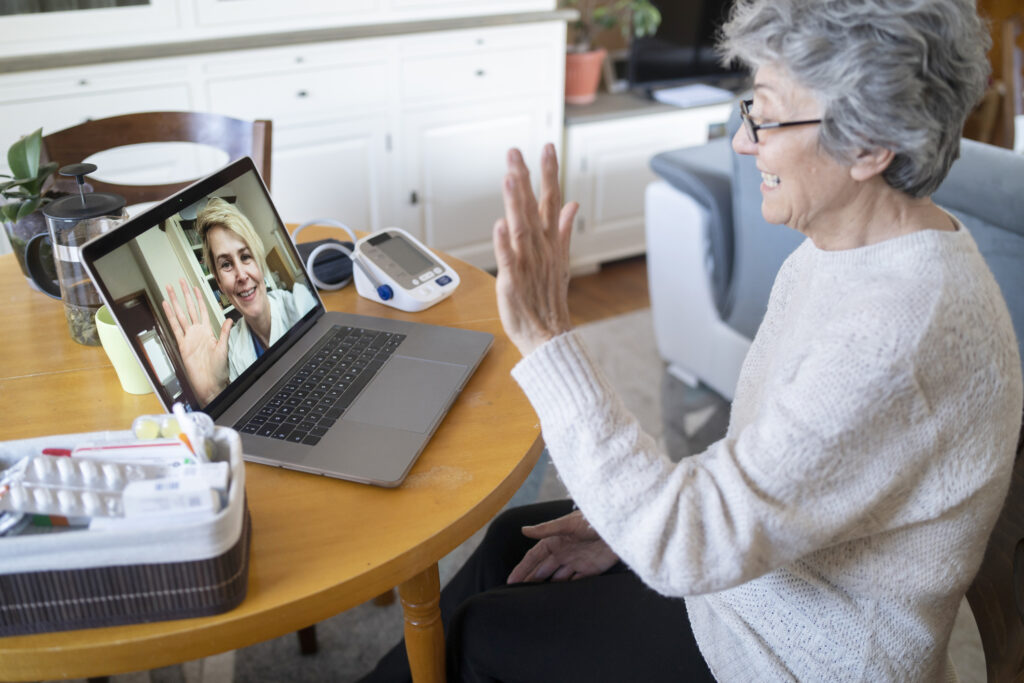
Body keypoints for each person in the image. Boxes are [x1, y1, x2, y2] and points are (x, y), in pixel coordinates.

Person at [362, 0, 1024, 681]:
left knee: (481, 636)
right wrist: (631, 517)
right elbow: (778, 453)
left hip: (800, 653)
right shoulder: (845, 246)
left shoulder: (897, 333)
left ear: (869, 146)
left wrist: (549, 338)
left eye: (766, 114)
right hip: (766, 577)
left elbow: (689, 547)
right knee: (512, 543)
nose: (744, 142)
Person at [162, 197, 316, 406]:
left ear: (259, 261)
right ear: (218, 281)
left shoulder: (301, 304)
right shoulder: (233, 347)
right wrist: (211, 395)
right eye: (226, 264)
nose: (241, 275)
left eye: (245, 257)